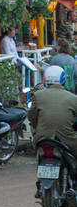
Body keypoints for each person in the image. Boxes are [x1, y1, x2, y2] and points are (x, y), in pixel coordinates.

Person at [28, 67, 77, 198]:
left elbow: (32, 117)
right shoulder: (73, 98)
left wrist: (37, 129)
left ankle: (39, 184)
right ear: (63, 80)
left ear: (45, 79)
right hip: (67, 140)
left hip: (43, 138)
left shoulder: (38, 95)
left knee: (40, 154)